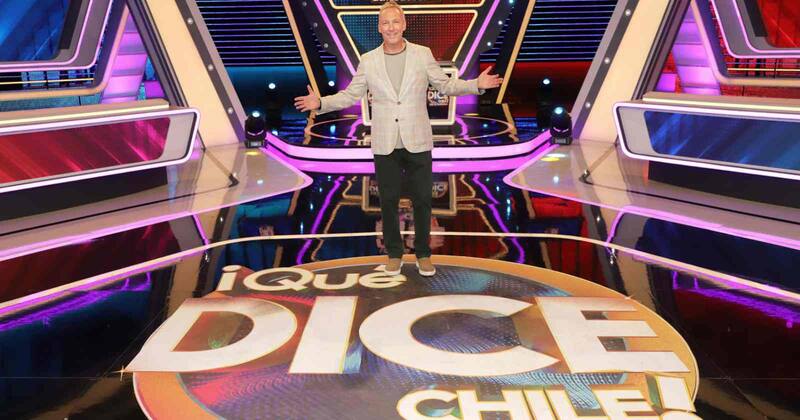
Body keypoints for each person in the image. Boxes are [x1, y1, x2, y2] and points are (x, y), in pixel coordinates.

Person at [294, 0, 502, 276]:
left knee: (423, 200)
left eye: (395, 22)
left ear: (404, 25)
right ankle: (394, 254)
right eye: (385, 23)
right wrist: (320, 103)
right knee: (388, 201)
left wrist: (476, 85)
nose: (391, 27)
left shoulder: (422, 54)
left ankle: (423, 254)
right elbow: (350, 95)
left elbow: (445, 85)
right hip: (385, 141)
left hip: (417, 138)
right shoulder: (368, 60)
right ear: (379, 28)